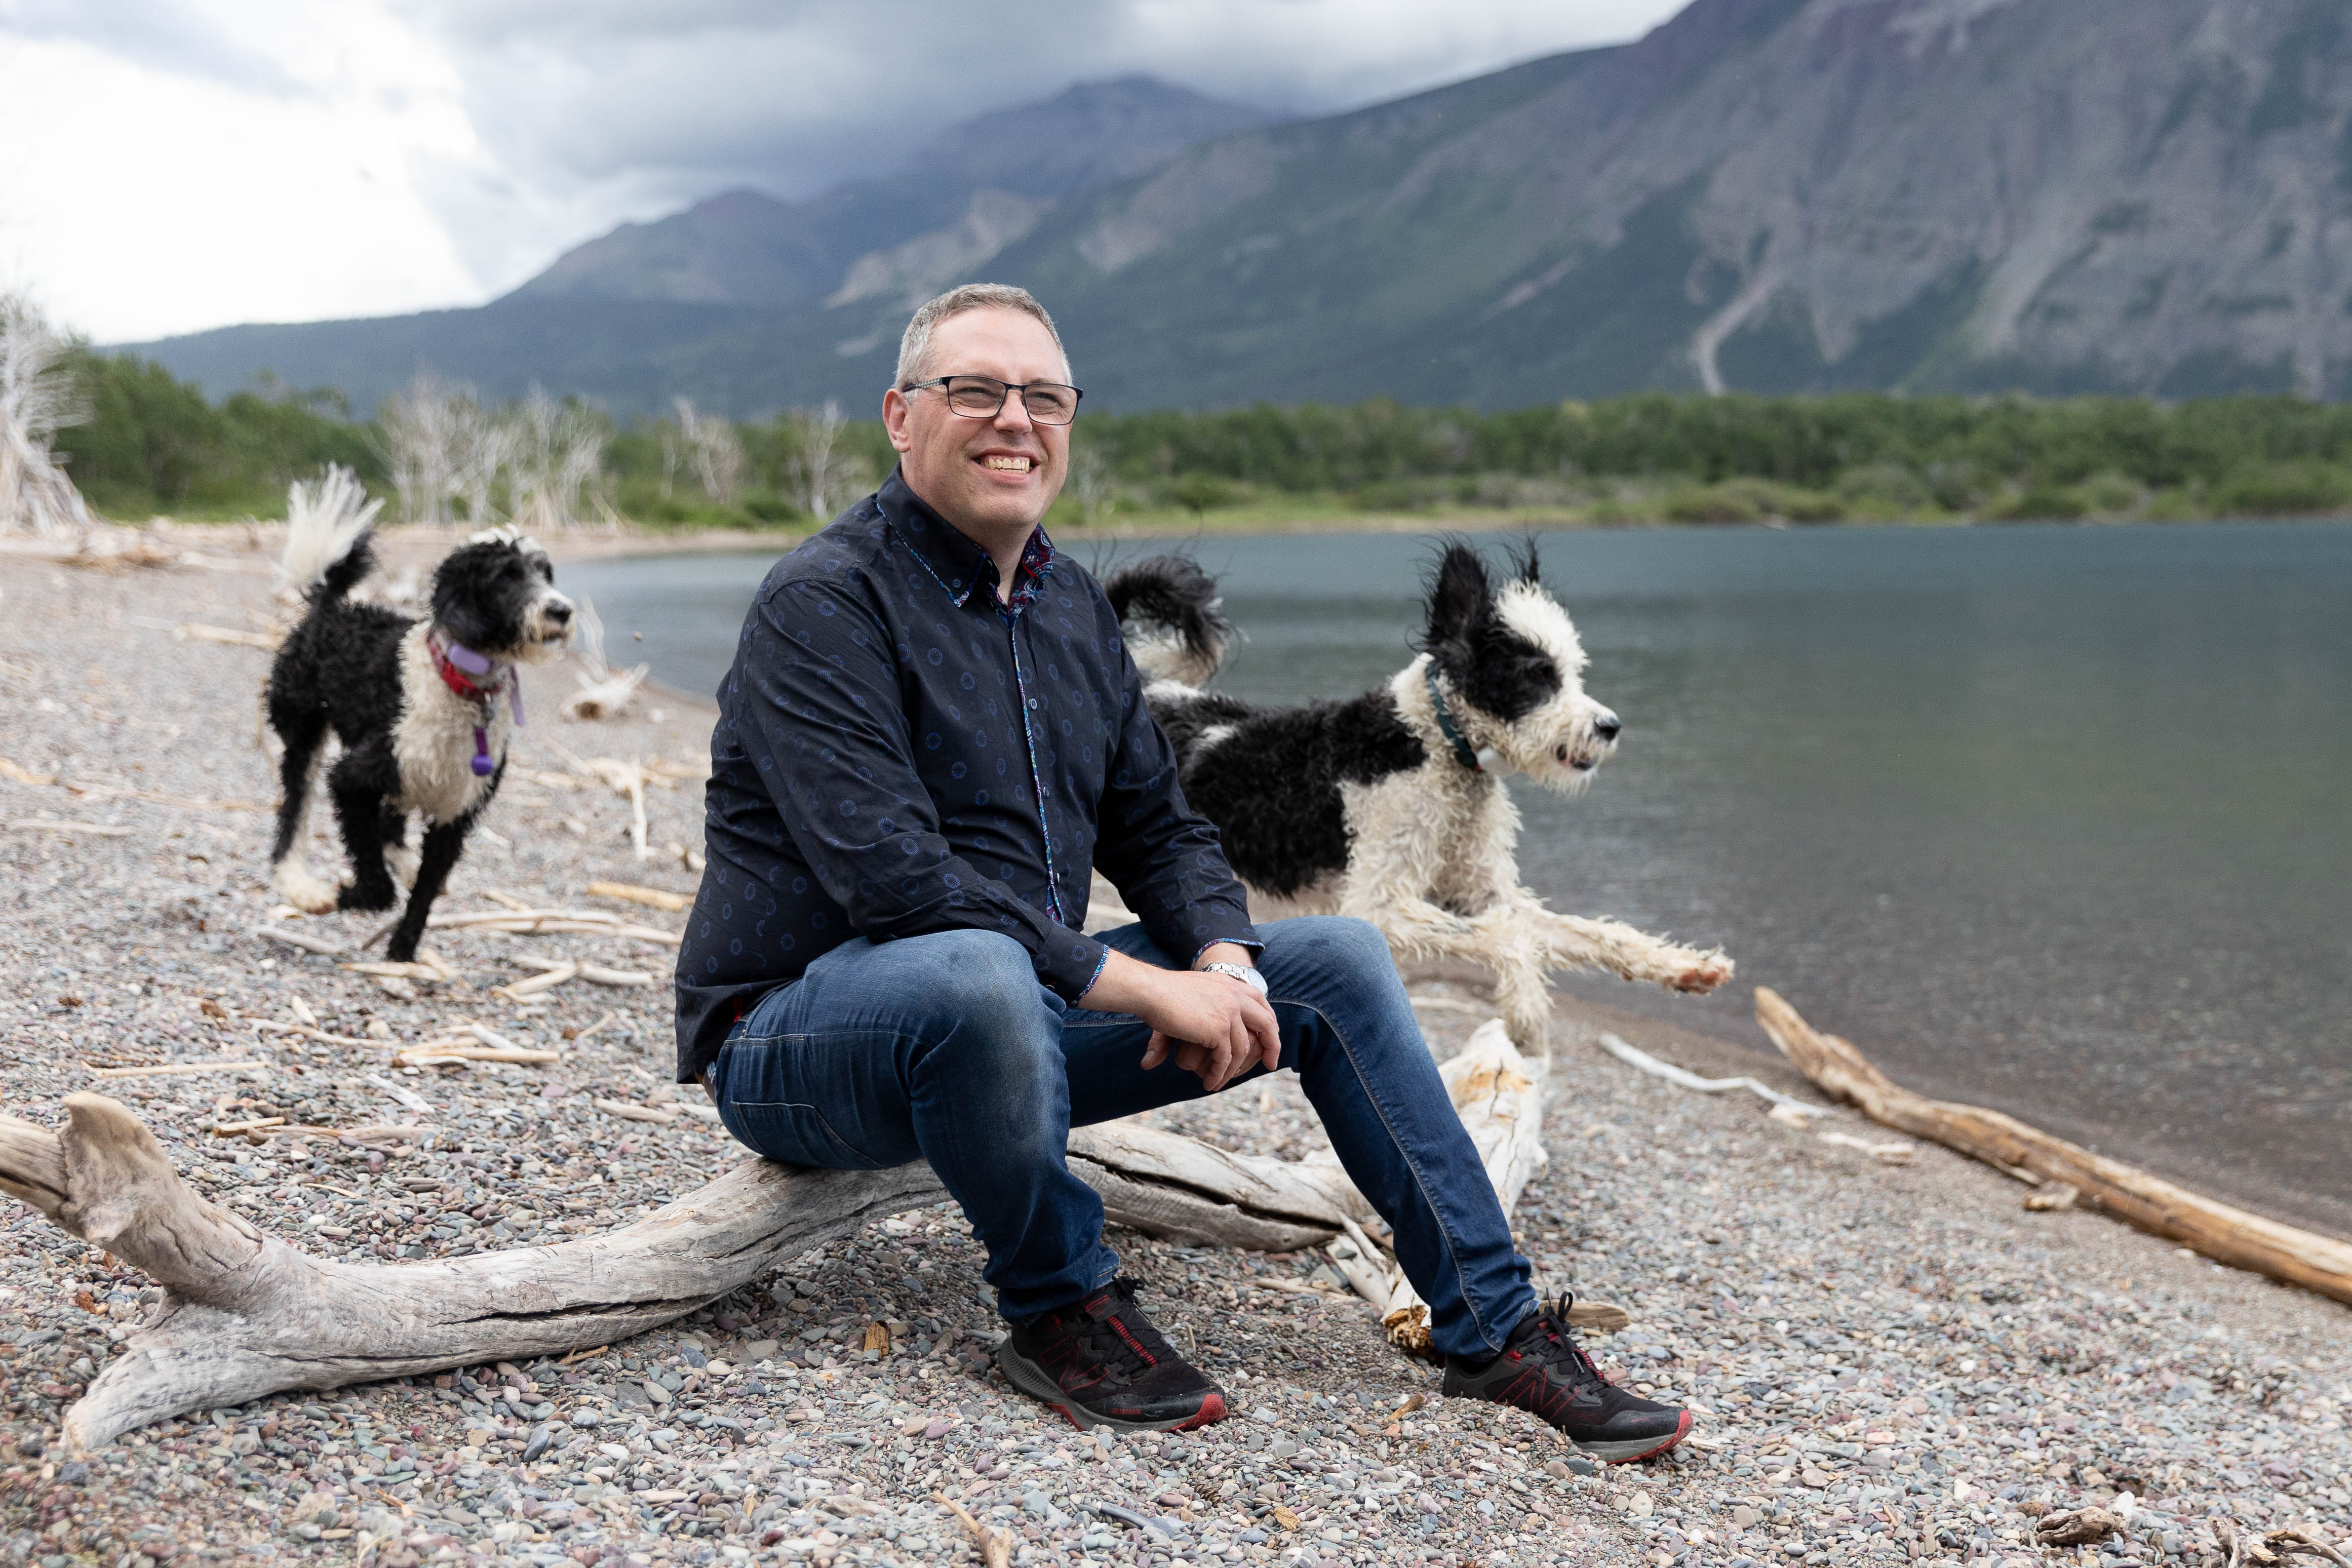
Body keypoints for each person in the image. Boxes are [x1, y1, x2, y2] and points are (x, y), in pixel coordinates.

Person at [674, 282, 1691, 1462]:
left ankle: (1495, 1328)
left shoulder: (1061, 610)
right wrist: (1155, 994)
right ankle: (1062, 1305)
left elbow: (1159, 828)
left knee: (1339, 959)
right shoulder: (825, 603)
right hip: (799, 1039)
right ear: (903, 417)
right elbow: (897, 881)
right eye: (976, 391)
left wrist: (1218, 954)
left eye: (1043, 396)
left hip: (1013, 1022)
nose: (1014, 419)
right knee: (977, 971)